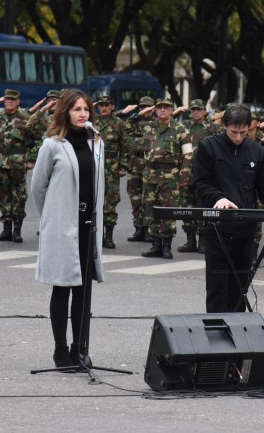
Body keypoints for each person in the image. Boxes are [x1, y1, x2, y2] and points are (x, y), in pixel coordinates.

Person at [31, 89, 105, 369]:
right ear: (65, 112)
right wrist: (53, 216)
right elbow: (38, 187)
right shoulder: (52, 145)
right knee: (63, 288)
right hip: (63, 226)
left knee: (84, 291)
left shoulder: (96, 144)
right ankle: (60, 350)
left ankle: (80, 349)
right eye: (76, 109)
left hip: (88, 225)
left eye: (86, 109)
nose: (83, 114)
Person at [192, 104, 264, 313]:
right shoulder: (209, 146)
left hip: (245, 229)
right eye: (233, 132)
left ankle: (236, 332)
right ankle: (215, 330)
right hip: (217, 227)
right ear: (225, 126)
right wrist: (219, 198)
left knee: (240, 286)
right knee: (217, 286)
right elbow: (200, 183)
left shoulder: (256, 150)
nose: (237, 137)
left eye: (243, 133)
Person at [141, 97, 193, 259]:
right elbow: (129, 128)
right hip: (150, 175)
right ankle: (155, 245)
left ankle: (167, 246)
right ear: (155, 110)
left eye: (166, 107)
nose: (163, 110)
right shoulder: (148, 127)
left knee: (168, 211)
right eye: (160, 107)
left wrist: (184, 175)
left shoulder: (180, 129)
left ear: (172, 111)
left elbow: (188, 154)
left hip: (170, 176)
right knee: (151, 209)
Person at [0, 89, 39, 244]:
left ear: (18, 101)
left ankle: (17, 230)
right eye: (7, 99)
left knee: (18, 196)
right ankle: (6, 229)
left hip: (18, 162)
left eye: (12, 100)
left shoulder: (25, 118)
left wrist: (32, 159)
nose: (9, 102)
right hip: (1, 162)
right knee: (2, 196)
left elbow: (37, 140)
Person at [176, 99, 220, 253]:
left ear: (205, 111)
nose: (196, 112)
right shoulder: (184, 127)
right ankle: (190, 240)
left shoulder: (213, 128)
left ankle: (203, 240)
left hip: (205, 173)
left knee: (203, 207)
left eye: (199, 109)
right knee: (187, 207)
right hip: (186, 171)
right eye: (193, 109)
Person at [121, 96, 155, 242]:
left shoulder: (156, 123)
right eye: (142, 107)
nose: (144, 110)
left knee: (148, 199)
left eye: (147, 107)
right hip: (134, 165)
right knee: (135, 199)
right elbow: (125, 126)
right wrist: (138, 115)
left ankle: (148, 229)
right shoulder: (134, 123)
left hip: (149, 165)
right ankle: (138, 229)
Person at [94, 94, 126, 249]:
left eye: (107, 105)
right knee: (94, 202)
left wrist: (123, 166)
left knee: (110, 203)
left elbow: (126, 146)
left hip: (112, 168)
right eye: (101, 105)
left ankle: (108, 237)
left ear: (113, 106)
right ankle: (96, 236)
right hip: (94, 166)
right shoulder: (92, 123)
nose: (104, 107)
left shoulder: (119, 123)